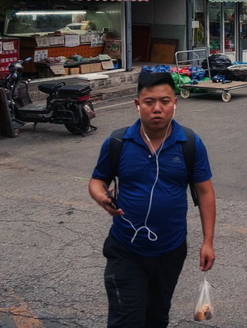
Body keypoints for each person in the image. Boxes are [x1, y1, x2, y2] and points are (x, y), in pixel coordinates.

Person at [89, 72, 216, 328]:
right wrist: (101, 196)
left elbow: (205, 192)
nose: (157, 108)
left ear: (175, 103)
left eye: (165, 101)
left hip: (170, 250)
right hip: (126, 248)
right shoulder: (118, 141)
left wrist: (208, 242)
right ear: (137, 104)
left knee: (157, 316)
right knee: (127, 319)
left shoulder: (190, 143)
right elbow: (96, 180)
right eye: (149, 102)